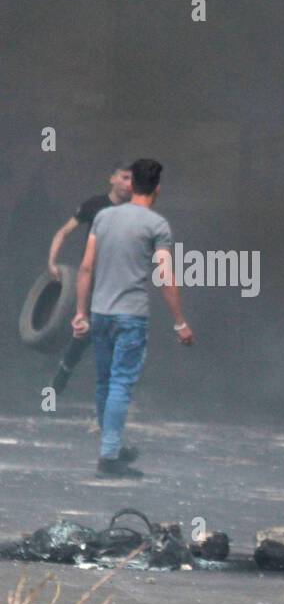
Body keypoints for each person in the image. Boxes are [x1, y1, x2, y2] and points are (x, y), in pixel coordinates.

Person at [71, 158, 194, 479]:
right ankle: (109, 455)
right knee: (121, 384)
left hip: (100, 313)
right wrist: (180, 321)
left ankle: (111, 444)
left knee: (104, 381)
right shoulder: (156, 225)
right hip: (130, 316)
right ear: (156, 188)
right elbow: (166, 276)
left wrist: (80, 312)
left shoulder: (103, 218)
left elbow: (86, 267)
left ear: (131, 183)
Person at [46, 163, 134, 393]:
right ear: (112, 179)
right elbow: (63, 232)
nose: (128, 184)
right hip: (92, 278)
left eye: (132, 180)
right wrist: (52, 262)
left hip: (120, 282)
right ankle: (62, 375)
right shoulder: (94, 205)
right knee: (84, 332)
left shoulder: (136, 211)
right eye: (124, 177)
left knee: (121, 333)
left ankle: (114, 391)